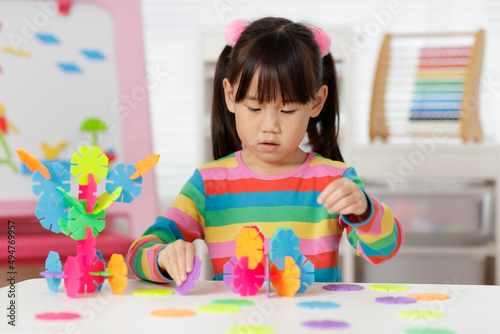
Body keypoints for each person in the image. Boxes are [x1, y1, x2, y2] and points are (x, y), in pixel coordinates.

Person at [128, 17, 404, 287]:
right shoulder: (208, 184)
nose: (270, 126)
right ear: (230, 96)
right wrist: (164, 257)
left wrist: (366, 210)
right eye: (255, 108)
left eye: (287, 110)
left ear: (316, 102)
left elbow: (383, 250)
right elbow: (139, 253)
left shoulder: (336, 180)